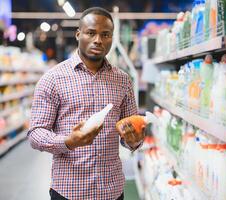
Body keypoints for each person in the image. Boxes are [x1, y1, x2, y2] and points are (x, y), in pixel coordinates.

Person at [28, 7, 144, 200]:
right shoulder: (53, 79)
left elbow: (131, 131)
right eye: (91, 33)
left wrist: (134, 140)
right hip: (69, 191)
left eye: (105, 34)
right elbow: (36, 133)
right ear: (78, 34)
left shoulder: (123, 80)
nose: (98, 40)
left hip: (112, 190)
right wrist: (68, 141)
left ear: (112, 38)